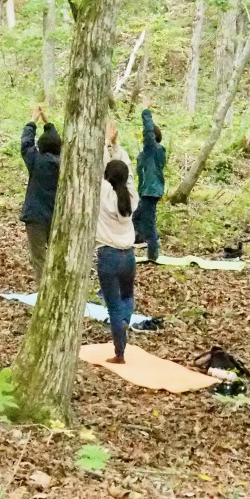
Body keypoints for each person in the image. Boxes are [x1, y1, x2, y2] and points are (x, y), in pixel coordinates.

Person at [98, 122, 140, 364]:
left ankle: (120, 353)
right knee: (126, 297)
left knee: (113, 306)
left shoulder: (104, 193)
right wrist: (116, 145)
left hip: (108, 256)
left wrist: (106, 143)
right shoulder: (131, 196)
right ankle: (125, 320)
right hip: (129, 256)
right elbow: (128, 171)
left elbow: (101, 167)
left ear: (108, 178)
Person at [20, 104, 61, 283]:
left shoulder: (36, 161)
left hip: (36, 216)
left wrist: (33, 121)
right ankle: (55, 288)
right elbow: (57, 141)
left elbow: (26, 144)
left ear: (41, 146)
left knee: (39, 258)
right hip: (56, 217)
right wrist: (48, 124)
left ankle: (44, 289)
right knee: (55, 256)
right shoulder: (65, 165)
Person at [132, 95, 167, 263]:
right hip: (147, 190)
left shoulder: (153, 149)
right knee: (136, 218)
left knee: (148, 223)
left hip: (150, 192)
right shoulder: (149, 154)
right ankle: (136, 242)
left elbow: (148, 133)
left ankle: (153, 255)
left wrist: (146, 110)